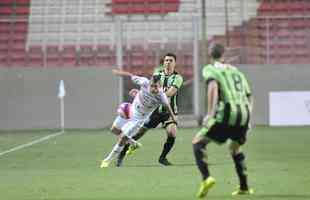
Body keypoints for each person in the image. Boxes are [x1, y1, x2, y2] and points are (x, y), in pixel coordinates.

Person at [192, 43, 254, 198]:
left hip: (227, 114)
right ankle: (244, 187)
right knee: (235, 147)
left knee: (198, 142)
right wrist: (248, 120)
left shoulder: (210, 69)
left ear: (210, 54)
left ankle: (206, 178)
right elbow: (249, 95)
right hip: (244, 115)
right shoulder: (237, 72)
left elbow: (212, 87)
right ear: (224, 54)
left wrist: (210, 114)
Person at [100, 69, 177, 168]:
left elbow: (167, 106)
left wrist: (173, 118)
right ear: (149, 84)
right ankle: (134, 143)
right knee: (114, 130)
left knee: (123, 138)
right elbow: (130, 75)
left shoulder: (161, 96)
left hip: (138, 120)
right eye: (152, 86)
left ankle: (107, 160)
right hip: (130, 110)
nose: (153, 89)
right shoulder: (144, 82)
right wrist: (120, 73)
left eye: (156, 87)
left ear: (160, 87)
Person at [117, 53, 183, 166]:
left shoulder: (178, 78)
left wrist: (156, 96)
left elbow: (170, 93)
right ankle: (121, 154)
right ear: (163, 62)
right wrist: (139, 94)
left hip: (168, 111)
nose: (168, 62)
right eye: (166, 60)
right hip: (153, 111)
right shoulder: (157, 75)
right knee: (138, 133)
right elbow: (148, 89)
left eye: (170, 60)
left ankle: (162, 158)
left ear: (174, 63)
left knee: (172, 132)